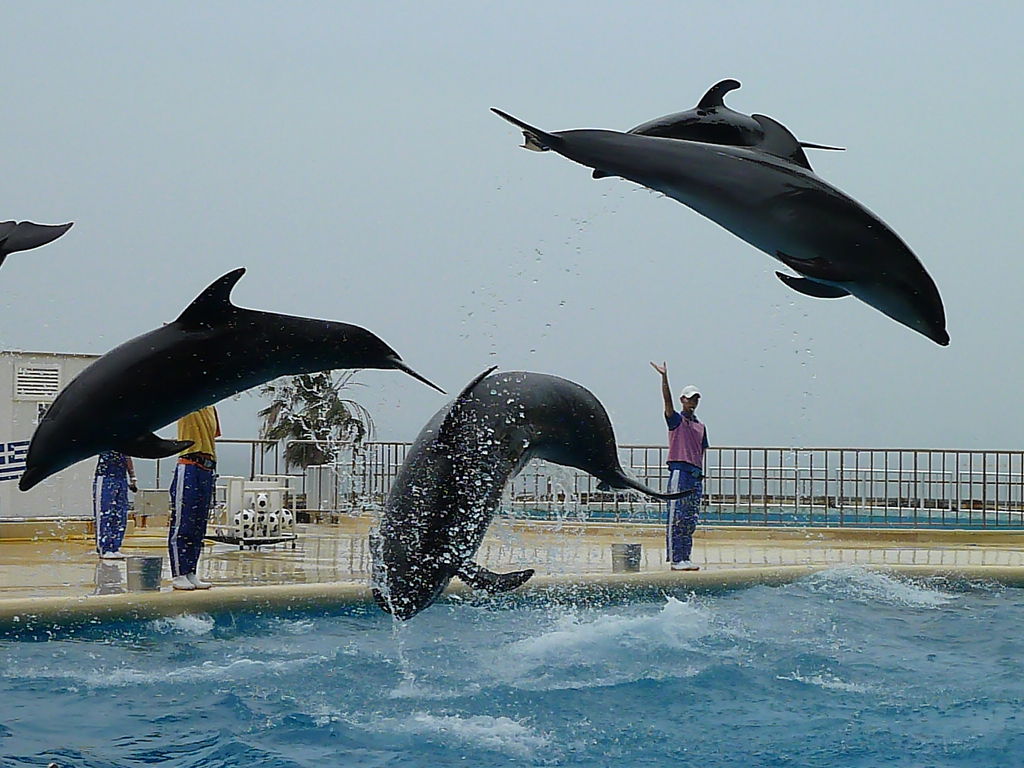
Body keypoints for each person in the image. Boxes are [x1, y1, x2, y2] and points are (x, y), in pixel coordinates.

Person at [651, 361, 708, 571]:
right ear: (682, 400)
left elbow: (702, 451)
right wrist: (664, 378)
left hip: (694, 474)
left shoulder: (700, 426)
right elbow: (666, 403)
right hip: (679, 471)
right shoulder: (675, 420)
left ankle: (685, 556)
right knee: (676, 516)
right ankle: (675, 558)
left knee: (690, 518)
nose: (692, 402)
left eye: (695, 399)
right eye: (689, 398)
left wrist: (700, 473)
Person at [168, 405, 220, 590]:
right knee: (183, 522)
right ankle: (178, 573)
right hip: (189, 464)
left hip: (207, 468)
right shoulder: (190, 403)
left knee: (199, 525)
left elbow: (213, 436)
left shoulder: (212, 408)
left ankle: (191, 570)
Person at [93, 450, 137, 559]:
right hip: (105, 476)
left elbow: (127, 455)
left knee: (120, 513)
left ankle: (115, 547)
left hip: (121, 477)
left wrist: (132, 476)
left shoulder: (124, 440)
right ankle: (104, 547)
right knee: (105, 512)